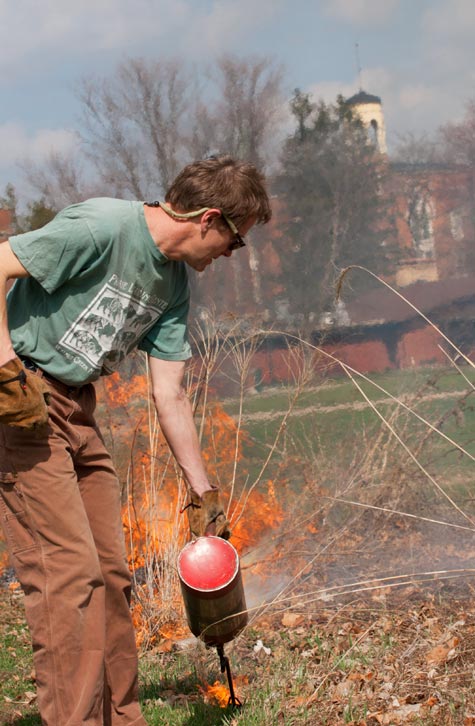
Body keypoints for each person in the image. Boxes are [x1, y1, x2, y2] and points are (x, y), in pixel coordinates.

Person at [0, 155, 272, 725]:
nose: (228, 256)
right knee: (67, 575)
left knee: (110, 573)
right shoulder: (102, 227)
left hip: (76, 407)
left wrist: (203, 493)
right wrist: (5, 372)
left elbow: (169, 394)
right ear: (209, 218)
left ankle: (122, 718)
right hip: (20, 401)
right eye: (235, 242)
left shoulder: (173, 285)